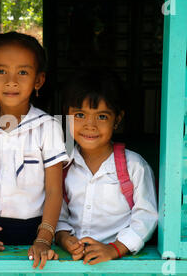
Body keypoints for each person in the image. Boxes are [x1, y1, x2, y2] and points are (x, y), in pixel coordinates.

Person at [0, 32, 68, 269]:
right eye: (1, 71)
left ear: (38, 80)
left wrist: (44, 238)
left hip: (36, 231)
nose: (12, 80)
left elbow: (53, 190)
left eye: (22, 72)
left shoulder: (48, 127)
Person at [56, 70, 158, 265]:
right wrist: (63, 238)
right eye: (79, 115)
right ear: (66, 116)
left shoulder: (134, 166)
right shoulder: (62, 165)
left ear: (117, 119)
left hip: (118, 262)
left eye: (101, 117)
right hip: (72, 260)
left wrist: (115, 249)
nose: (90, 125)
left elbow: (146, 216)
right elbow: (58, 214)